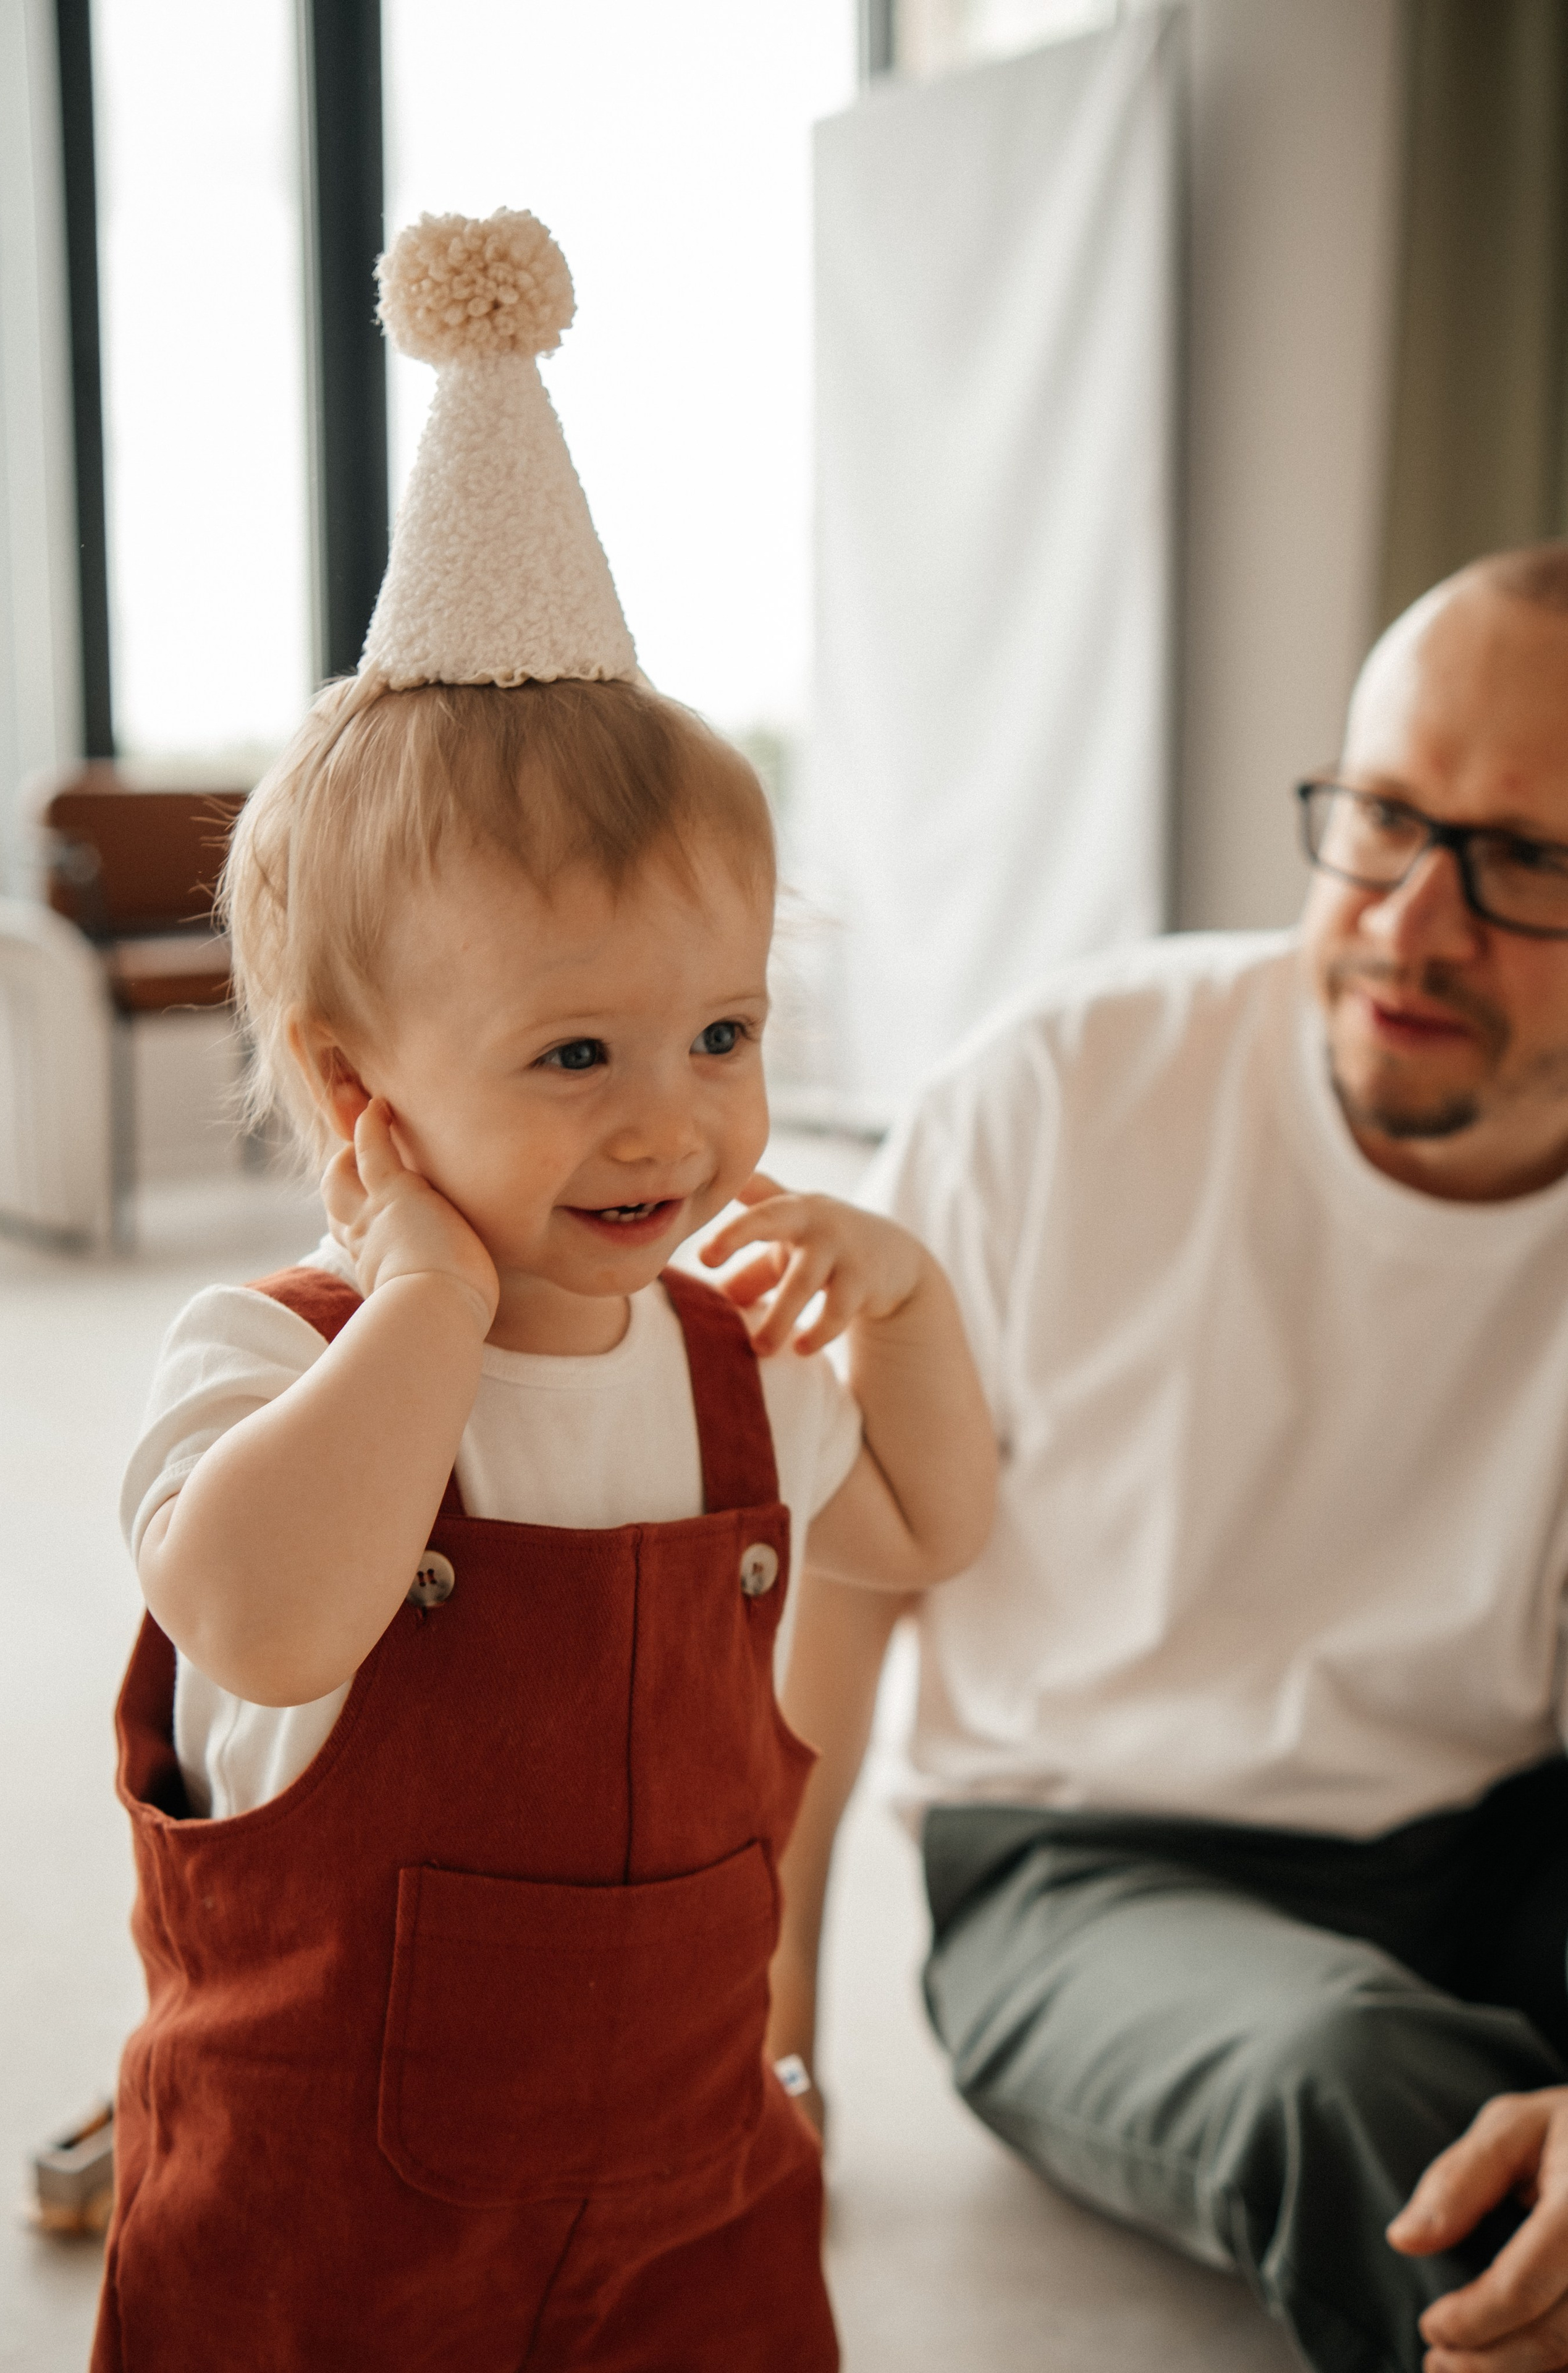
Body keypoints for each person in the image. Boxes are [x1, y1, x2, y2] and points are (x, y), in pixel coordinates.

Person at [93, 209, 996, 2373]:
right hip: (326, 2231)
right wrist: (417, 1300)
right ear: (356, 1089)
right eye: (575, 1057)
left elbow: (927, 1531)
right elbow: (276, 1620)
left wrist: (913, 1318)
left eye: (726, 1035)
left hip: (694, 2195)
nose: (671, 1125)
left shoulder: (726, 1366)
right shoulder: (274, 1360)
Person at [770, 541, 1568, 2373]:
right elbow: (847, 1569)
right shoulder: (1062, 1093)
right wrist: (774, 2027)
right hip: (1085, 1864)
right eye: (1381, 816)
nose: (1413, 921)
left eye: (1524, 862)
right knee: (1353, 2090)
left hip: (1498, 1827)